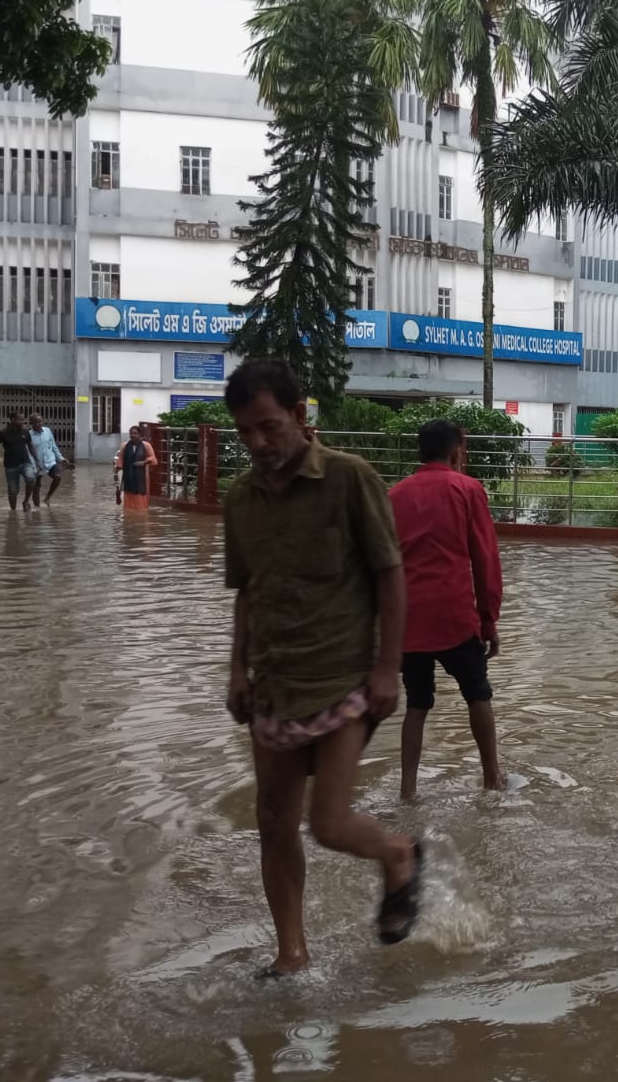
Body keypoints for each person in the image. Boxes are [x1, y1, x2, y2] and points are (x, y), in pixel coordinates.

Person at [222, 358, 421, 975]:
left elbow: (391, 572)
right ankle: (292, 952)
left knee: (329, 824)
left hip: (342, 681)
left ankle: (397, 854)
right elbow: (247, 591)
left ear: (301, 417)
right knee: (273, 821)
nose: (259, 443)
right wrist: (237, 670)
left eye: (269, 427)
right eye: (246, 432)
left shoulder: (349, 478)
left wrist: (389, 669)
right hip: (275, 683)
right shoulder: (241, 499)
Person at [387, 419, 505, 802]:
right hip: (455, 617)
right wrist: (489, 619)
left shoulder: (396, 495)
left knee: (417, 705)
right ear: (457, 451)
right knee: (478, 695)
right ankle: (492, 779)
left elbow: (383, 565)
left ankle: (408, 790)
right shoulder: (468, 489)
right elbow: (484, 558)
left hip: (410, 621)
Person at [0, 410, 41, 512]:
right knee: (13, 490)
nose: (23, 422)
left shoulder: (25, 431)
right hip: (10, 466)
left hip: (25, 462)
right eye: (20, 420)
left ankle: (26, 501)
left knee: (31, 478)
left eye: (23, 419)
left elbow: (31, 446)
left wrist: (37, 460)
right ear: (12, 420)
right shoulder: (3, 433)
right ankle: (13, 512)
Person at [26, 412, 69, 506]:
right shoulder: (29, 435)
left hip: (50, 462)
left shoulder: (47, 431)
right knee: (36, 487)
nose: (40, 424)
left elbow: (53, 446)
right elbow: (29, 453)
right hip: (37, 464)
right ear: (31, 423)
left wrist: (61, 458)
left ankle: (47, 498)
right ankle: (37, 509)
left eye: (41, 421)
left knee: (57, 477)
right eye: (37, 422)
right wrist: (34, 466)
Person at [114, 425, 158, 512]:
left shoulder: (146, 445)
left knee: (141, 502)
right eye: (131, 433)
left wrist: (144, 462)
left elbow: (154, 460)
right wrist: (116, 473)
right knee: (128, 504)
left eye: (135, 433)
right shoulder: (124, 446)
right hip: (128, 476)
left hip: (141, 477)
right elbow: (120, 460)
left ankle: (141, 513)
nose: (133, 435)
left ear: (140, 434)